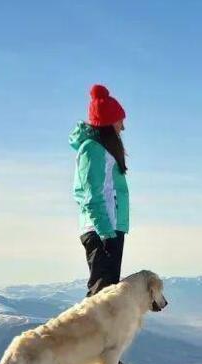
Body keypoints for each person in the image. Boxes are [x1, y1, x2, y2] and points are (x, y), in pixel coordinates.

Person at [69, 84, 130, 297]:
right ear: (108, 122)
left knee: (107, 298)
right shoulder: (92, 150)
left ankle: (100, 332)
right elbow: (91, 196)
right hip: (101, 230)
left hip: (109, 228)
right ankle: (84, 332)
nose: (122, 127)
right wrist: (107, 234)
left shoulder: (103, 151)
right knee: (101, 299)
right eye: (120, 120)